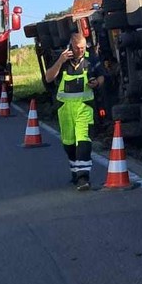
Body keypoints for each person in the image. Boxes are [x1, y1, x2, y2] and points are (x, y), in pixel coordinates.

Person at [44, 34, 106, 191]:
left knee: (83, 140)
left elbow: (102, 76)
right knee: (69, 143)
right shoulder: (62, 59)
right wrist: (60, 61)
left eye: (83, 47)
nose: (80, 50)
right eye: (77, 48)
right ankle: (75, 172)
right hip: (65, 109)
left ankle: (83, 177)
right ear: (70, 47)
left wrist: (96, 83)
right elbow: (49, 78)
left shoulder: (90, 58)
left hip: (84, 107)